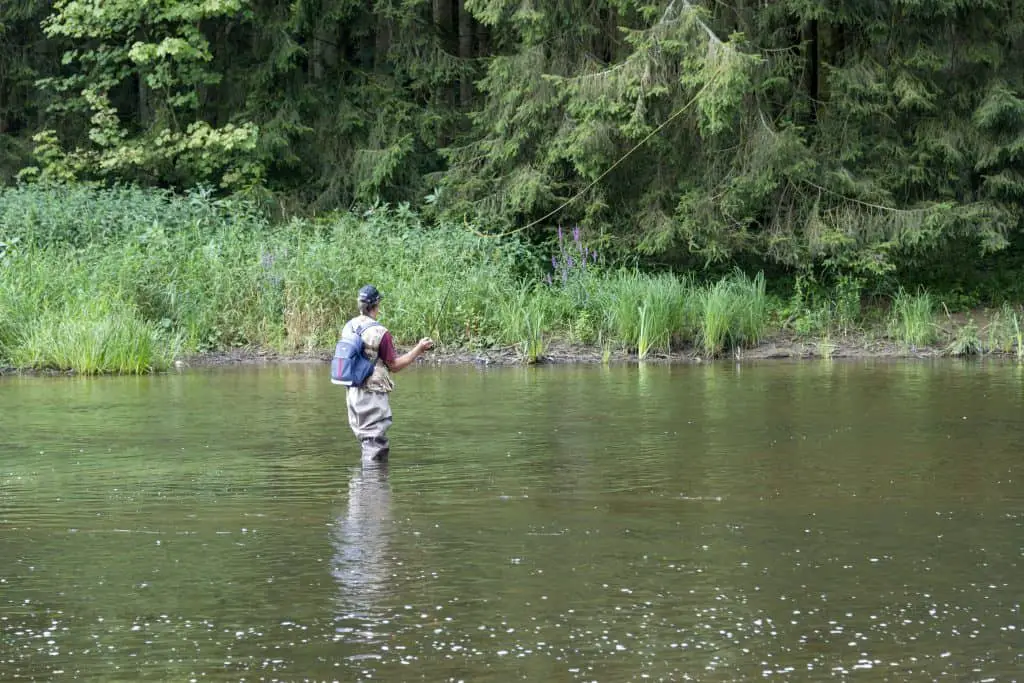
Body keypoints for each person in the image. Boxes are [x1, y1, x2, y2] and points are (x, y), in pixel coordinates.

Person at [337, 285, 433, 462]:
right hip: (371, 394)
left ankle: (362, 487)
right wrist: (419, 349)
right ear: (377, 304)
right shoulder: (381, 333)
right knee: (375, 444)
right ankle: (374, 485)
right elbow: (394, 366)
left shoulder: (349, 326)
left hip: (352, 392)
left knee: (366, 441)